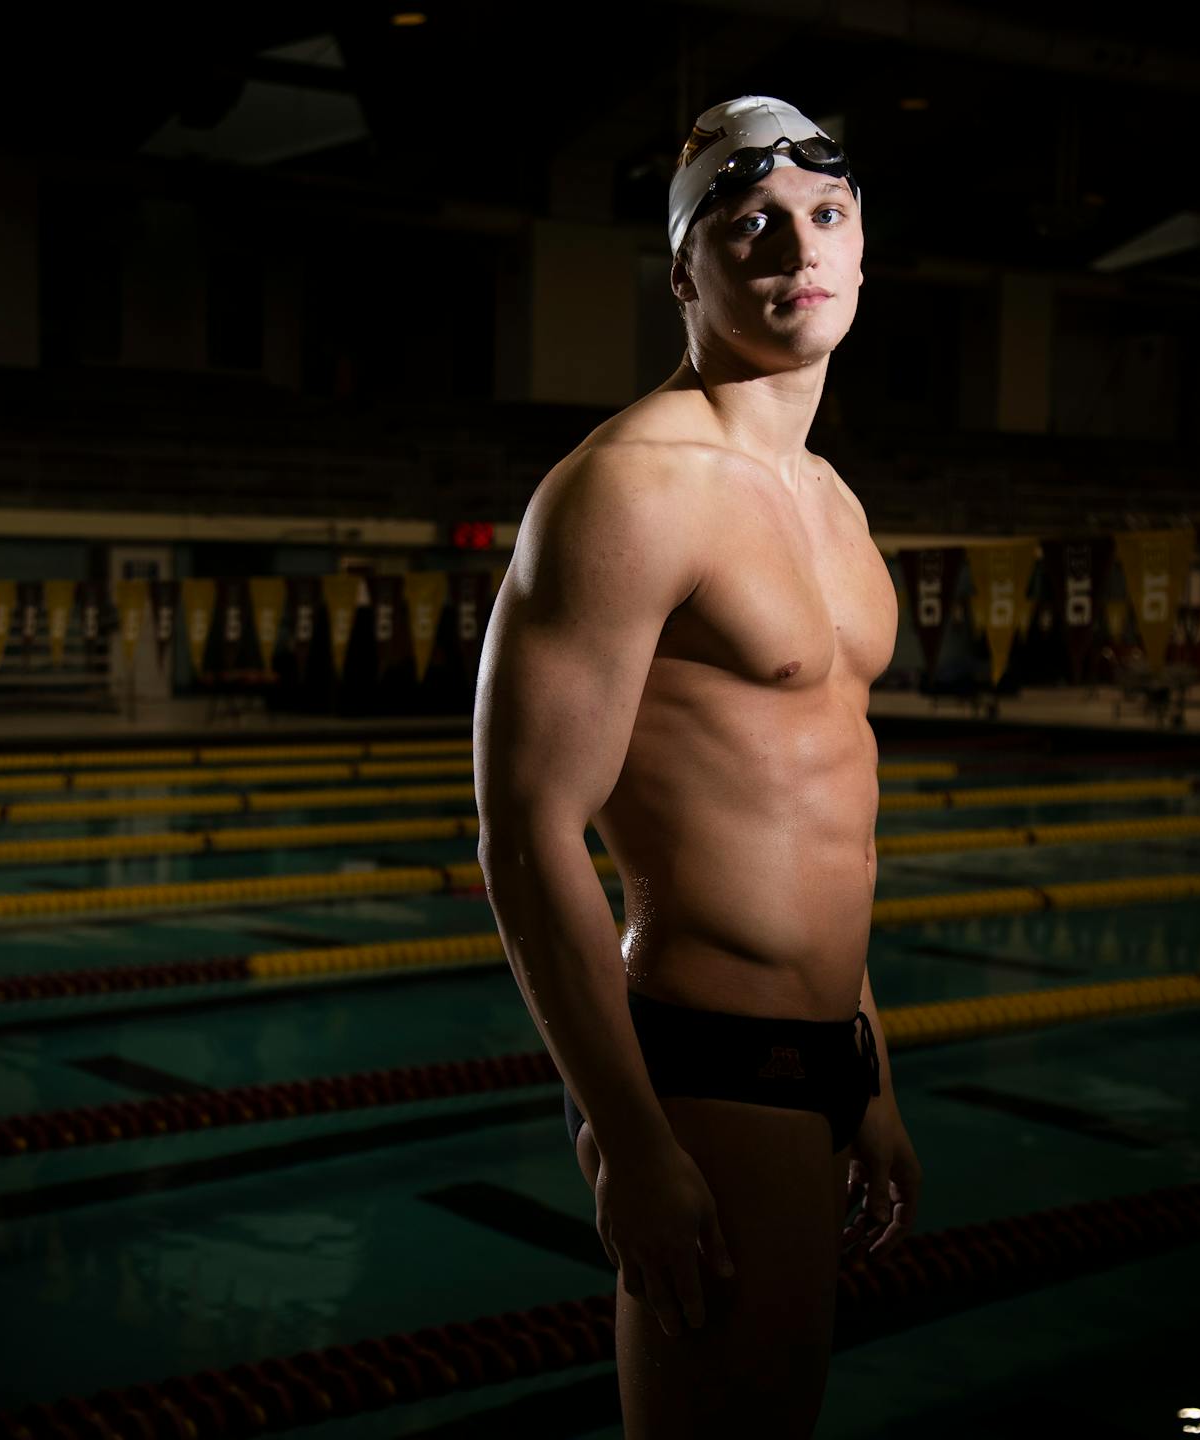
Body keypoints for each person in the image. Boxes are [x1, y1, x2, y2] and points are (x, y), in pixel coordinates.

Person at [474, 96, 920, 1437]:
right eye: (750, 225)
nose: (798, 246)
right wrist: (631, 1137)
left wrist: (872, 1070)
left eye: (826, 214)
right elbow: (529, 832)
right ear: (685, 274)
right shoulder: (631, 487)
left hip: (826, 1049)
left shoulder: (833, 501)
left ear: (862, 245)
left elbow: (821, 811)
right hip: (706, 1066)